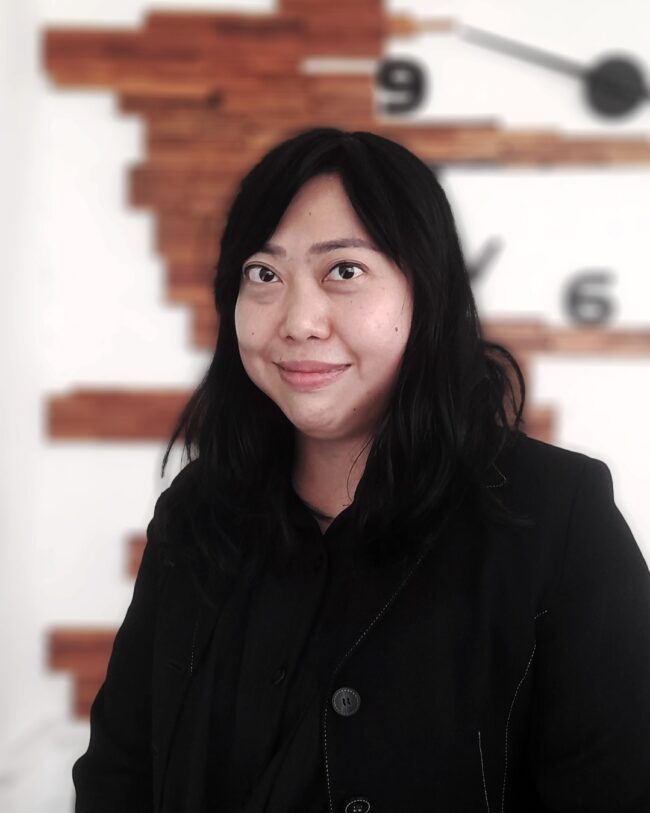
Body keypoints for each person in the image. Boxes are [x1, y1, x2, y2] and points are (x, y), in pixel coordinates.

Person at [72, 128, 650, 812]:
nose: (299, 321)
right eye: (264, 274)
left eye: (344, 271)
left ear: (425, 291)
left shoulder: (558, 517)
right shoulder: (199, 510)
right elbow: (119, 773)